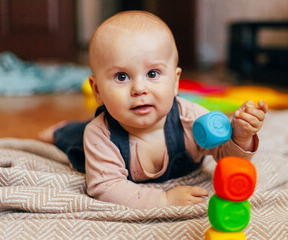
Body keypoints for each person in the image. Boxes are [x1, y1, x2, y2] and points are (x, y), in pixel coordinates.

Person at [38, 10, 268, 209]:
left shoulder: (191, 118)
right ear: (97, 90)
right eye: (122, 76)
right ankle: (60, 130)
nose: (139, 88)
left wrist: (241, 136)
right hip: (90, 139)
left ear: (176, 82)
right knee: (74, 137)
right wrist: (164, 199)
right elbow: (106, 187)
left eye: (152, 74)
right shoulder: (101, 135)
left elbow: (228, 157)